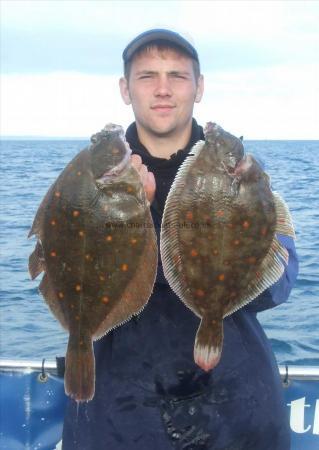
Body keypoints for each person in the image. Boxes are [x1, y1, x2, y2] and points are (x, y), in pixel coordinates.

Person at [62, 29, 299, 450]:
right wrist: (133, 216)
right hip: (120, 406)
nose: (164, 89)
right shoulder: (89, 179)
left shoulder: (242, 171)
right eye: (147, 76)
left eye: (178, 76)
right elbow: (74, 280)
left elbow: (278, 284)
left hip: (237, 402)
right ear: (125, 89)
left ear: (200, 86)